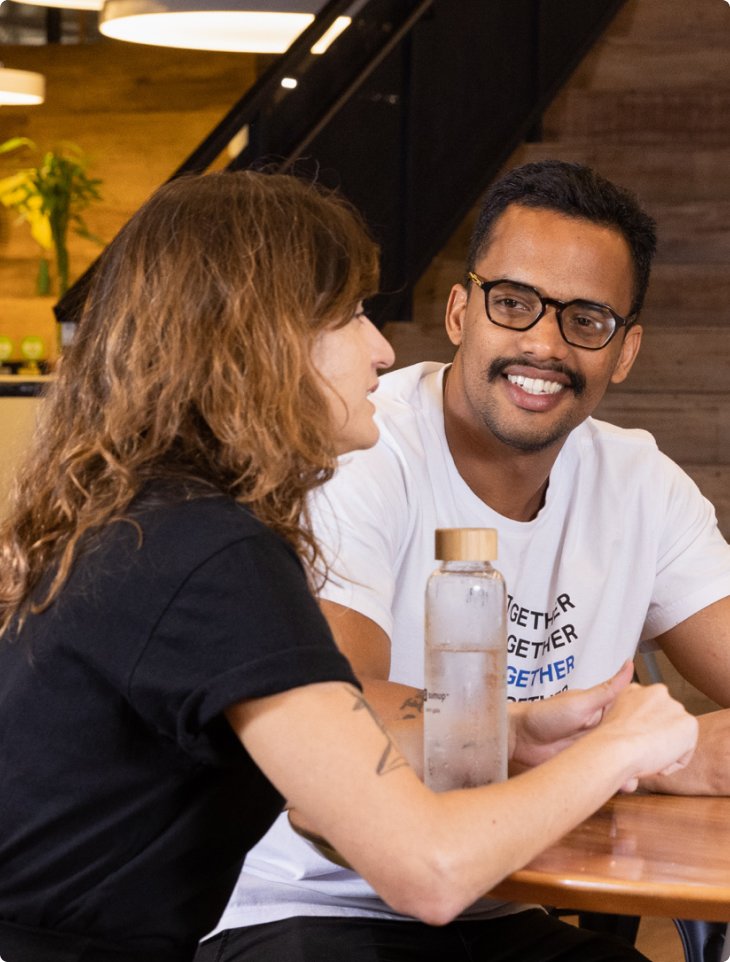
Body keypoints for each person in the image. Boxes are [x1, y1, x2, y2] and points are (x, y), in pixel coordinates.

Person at [0, 168, 697, 962]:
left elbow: (331, 760)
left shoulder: (161, 522)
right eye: (349, 317)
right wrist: (621, 746)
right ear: (253, 344)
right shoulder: (209, 556)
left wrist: (515, 726)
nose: (383, 349)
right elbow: (429, 873)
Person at [201, 160, 730, 962]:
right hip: (308, 906)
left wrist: (663, 753)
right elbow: (346, 709)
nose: (544, 344)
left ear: (624, 352)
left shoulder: (640, 485)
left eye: (587, 320)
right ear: (460, 311)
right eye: (514, 304)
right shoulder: (361, 451)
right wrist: (633, 754)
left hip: (499, 909)